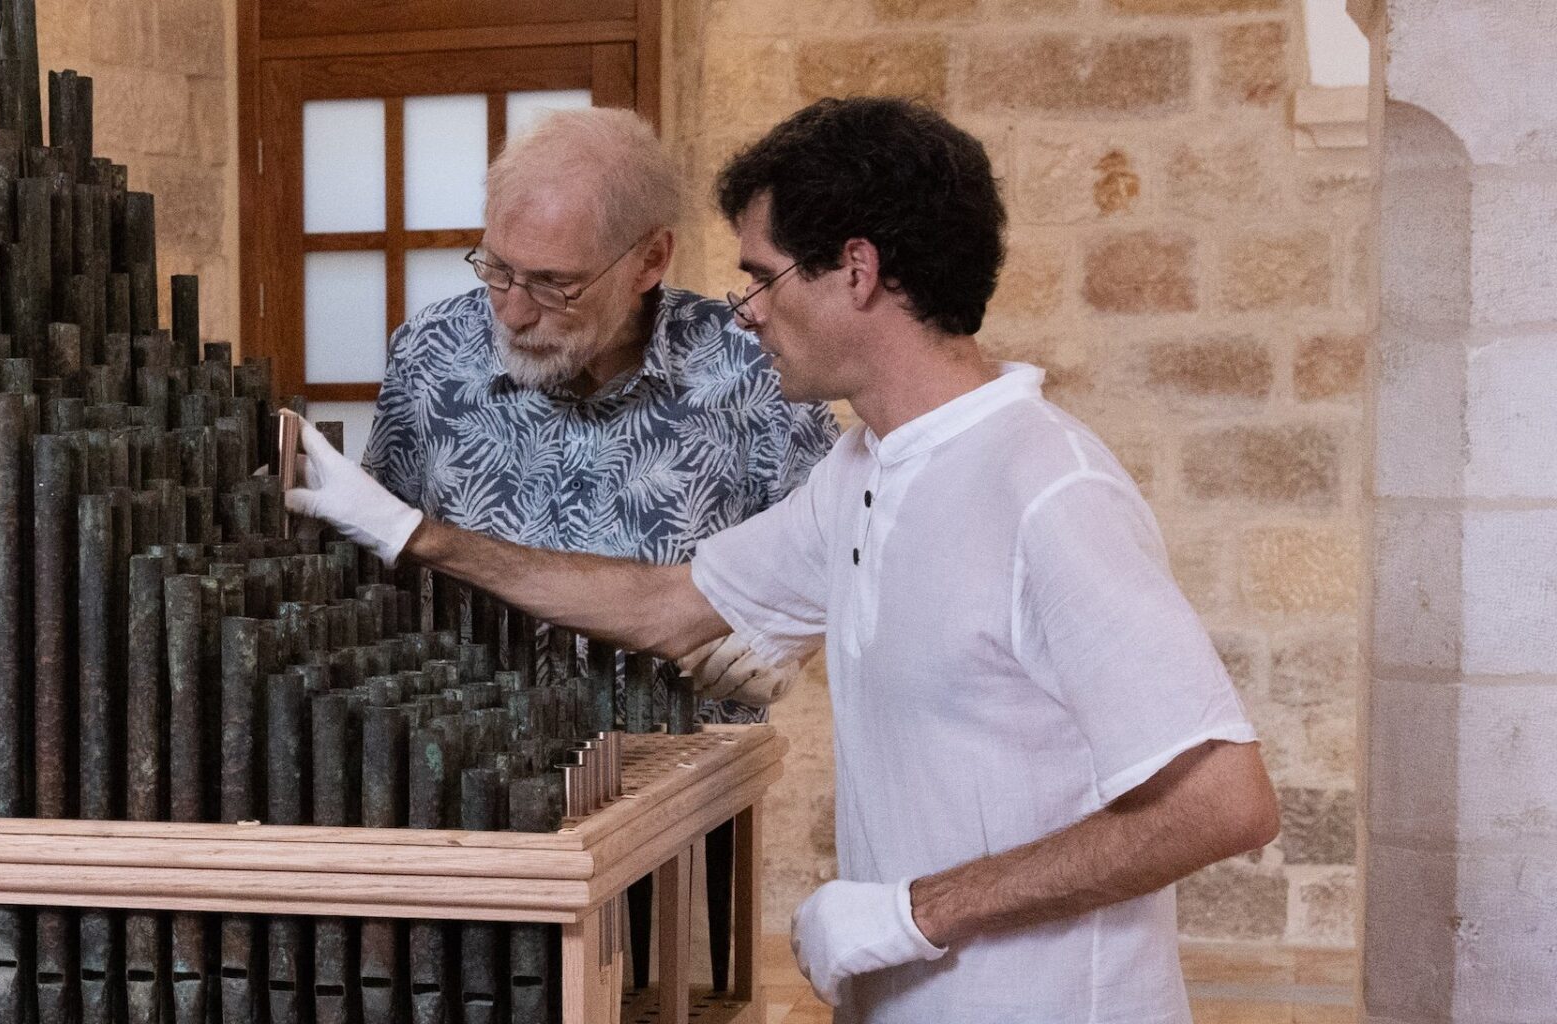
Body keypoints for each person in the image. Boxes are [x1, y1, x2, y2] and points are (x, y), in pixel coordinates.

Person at [291, 97, 1278, 1023]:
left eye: (761, 276)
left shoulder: (1049, 490)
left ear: (854, 271)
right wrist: (407, 532)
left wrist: (911, 912)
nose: (745, 310)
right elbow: (673, 604)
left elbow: (1222, 803)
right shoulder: (861, 471)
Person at [360, 106, 838, 715]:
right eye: (498, 269)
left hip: (685, 776)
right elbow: (380, 556)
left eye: (552, 284)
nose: (510, 313)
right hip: (469, 771)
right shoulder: (430, 353)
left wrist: (791, 638)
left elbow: (834, 552)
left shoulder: (754, 365)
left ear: (649, 260)